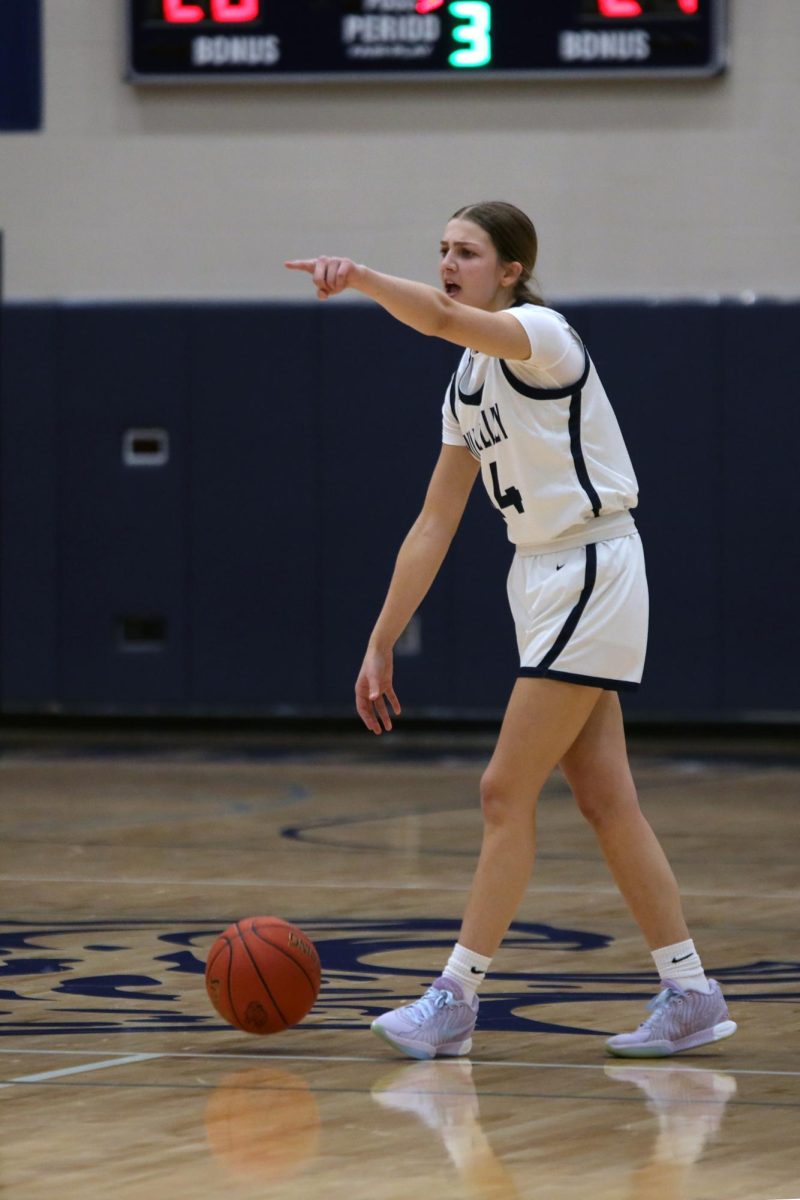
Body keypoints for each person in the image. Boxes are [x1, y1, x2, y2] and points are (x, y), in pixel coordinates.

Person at [285, 201, 737, 1060]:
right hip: (535, 575)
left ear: (512, 270)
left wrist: (363, 278)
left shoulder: (541, 335)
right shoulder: (464, 383)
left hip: (593, 562)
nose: (451, 263)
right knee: (606, 800)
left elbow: (447, 317)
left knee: (503, 790)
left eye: (467, 252)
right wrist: (381, 639)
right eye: (443, 250)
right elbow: (434, 521)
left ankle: (456, 994)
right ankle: (690, 993)